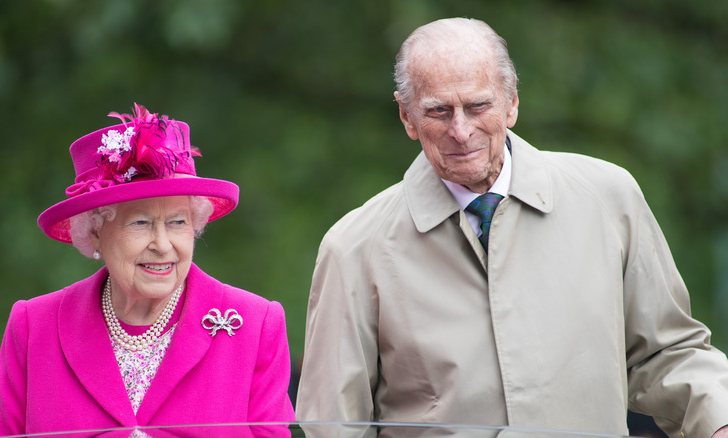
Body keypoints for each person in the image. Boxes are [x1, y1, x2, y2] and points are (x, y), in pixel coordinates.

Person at [296, 17, 728, 437]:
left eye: (478, 106)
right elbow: (332, 427)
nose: (461, 131)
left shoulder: (608, 199)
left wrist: (718, 419)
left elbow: (667, 353)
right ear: (408, 117)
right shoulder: (354, 248)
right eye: (439, 111)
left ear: (512, 102)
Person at [0, 104, 295, 435]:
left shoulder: (255, 325)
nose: (162, 244)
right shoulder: (34, 326)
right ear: (94, 232)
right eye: (140, 223)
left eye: (177, 222)